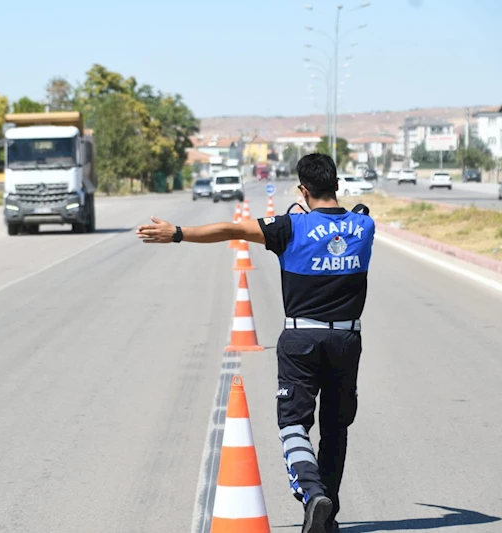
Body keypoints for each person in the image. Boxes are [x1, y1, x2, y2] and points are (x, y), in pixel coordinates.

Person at [136, 153, 375, 533]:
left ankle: (313, 494)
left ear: (303, 189)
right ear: (337, 185)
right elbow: (348, 220)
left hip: (301, 338)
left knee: (293, 423)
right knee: (335, 428)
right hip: (347, 339)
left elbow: (230, 229)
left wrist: (177, 232)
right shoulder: (364, 225)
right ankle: (327, 520)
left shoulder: (289, 227)